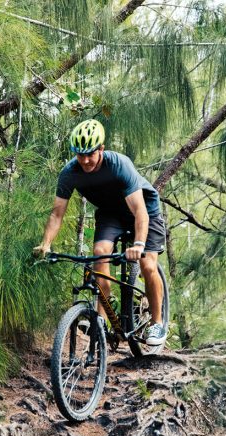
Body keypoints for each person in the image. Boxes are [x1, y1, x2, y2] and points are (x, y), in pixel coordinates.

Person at [33, 119, 167, 345]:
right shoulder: (70, 172)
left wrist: (138, 245)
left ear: (101, 149)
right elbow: (57, 214)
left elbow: (140, 212)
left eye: (90, 154)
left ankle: (157, 323)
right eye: (80, 155)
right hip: (110, 213)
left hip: (144, 210)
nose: (85, 160)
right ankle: (102, 320)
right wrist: (46, 244)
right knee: (99, 253)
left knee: (147, 265)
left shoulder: (119, 165)